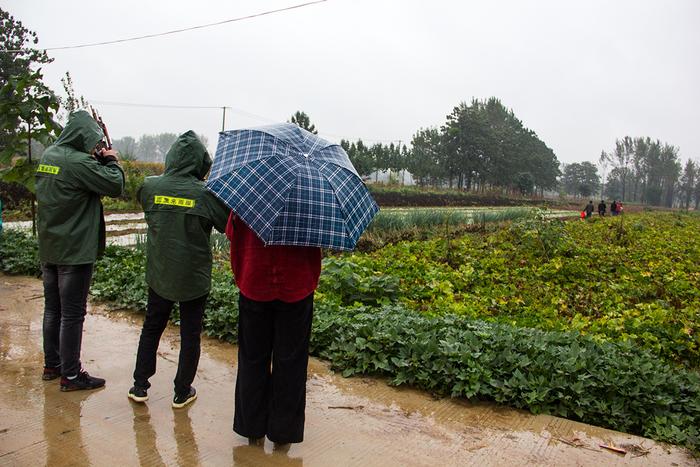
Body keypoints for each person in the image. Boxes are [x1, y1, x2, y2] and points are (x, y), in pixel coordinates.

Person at [128, 131, 230, 408]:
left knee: (152, 327)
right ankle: (182, 391)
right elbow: (225, 224)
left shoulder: (150, 187)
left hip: (160, 272)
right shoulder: (206, 195)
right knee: (189, 334)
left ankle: (139, 385)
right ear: (201, 162)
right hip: (193, 277)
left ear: (171, 157)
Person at [35, 110, 124, 391]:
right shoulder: (78, 162)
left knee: (53, 310)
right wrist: (112, 160)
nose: (93, 146)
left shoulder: (50, 155)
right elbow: (115, 185)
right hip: (74, 250)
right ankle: (71, 376)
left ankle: (53, 365)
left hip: (50, 247)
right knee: (72, 314)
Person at [227, 213, 322, 447]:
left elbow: (232, 233)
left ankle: (252, 429)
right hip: (296, 285)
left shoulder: (248, 194)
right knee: (291, 362)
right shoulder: (310, 199)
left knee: (252, 359)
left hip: (254, 281)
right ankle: (284, 434)